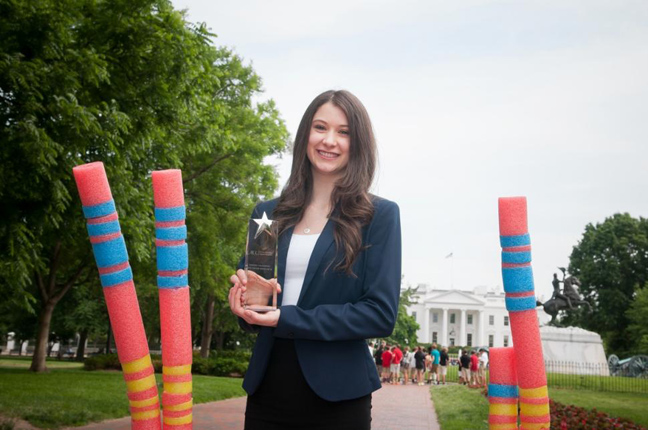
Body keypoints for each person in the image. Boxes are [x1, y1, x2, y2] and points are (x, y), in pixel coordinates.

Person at [228, 90, 402, 430]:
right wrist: (244, 302)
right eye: (320, 127)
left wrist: (286, 318)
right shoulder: (267, 214)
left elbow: (379, 314)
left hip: (338, 395)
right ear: (306, 134)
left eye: (343, 132)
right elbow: (258, 297)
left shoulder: (379, 216)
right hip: (268, 388)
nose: (329, 140)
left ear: (358, 143)